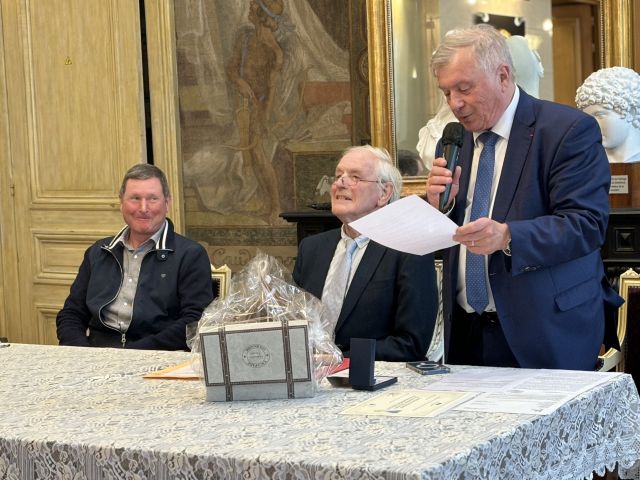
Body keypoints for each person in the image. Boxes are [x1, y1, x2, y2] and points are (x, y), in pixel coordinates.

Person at [425, 24, 622, 370]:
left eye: (464, 88)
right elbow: (452, 233)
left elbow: (585, 225)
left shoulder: (567, 131)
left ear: (502, 75)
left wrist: (508, 236)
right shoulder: (453, 141)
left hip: (544, 331)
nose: (455, 103)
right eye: (446, 92)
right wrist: (442, 206)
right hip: (465, 334)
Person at [293, 145, 438, 361]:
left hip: (375, 382)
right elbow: (293, 322)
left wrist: (339, 359)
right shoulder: (311, 248)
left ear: (384, 193)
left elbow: (411, 344)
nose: (340, 183)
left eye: (354, 177)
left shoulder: (408, 249)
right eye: (338, 175)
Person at [56, 164, 214, 350]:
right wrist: (82, 353)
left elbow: (194, 322)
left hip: (158, 357)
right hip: (97, 356)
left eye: (152, 199)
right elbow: (71, 314)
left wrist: (133, 355)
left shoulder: (191, 255)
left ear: (167, 203)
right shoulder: (98, 251)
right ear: (121, 202)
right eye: (135, 198)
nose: (143, 208)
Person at [575, 66, 640, 164]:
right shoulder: (587, 163)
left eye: (600, 115)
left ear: (631, 113)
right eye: (588, 117)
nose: (592, 124)